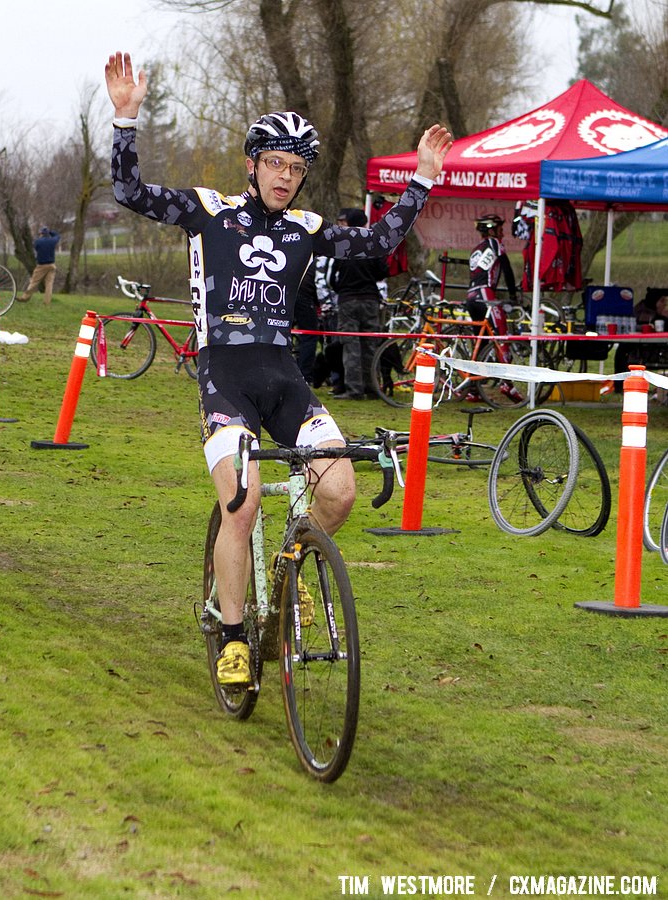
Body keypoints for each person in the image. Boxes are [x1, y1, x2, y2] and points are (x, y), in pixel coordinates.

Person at [104, 51, 451, 686]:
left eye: (296, 168)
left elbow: (377, 242)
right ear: (253, 165)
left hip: (283, 375)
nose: (286, 177)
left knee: (340, 489)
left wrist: (422, 180)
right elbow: (129, 192)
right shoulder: (209, 211)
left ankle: (290, 568)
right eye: (275, 165)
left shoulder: (309, 228)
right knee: (243, 501)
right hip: (224, 375)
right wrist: (125, 120)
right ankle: (234, 637)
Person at [329, 208, 389, 400]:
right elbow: (382, 272)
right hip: (370, 299)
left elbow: (331, 277)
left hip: (348, 300)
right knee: (371, 344)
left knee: (351, 346)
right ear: (364, 223)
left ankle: (354, 390)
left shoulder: (343, 245)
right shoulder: (373, 245)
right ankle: (373, 387)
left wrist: (341, 289)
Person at [464, 214, 521, 403]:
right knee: (501, 336)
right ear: (491, 231)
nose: (503, 233)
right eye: (500, 229)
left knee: (480, 343)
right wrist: (513, 295)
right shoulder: (494, 243)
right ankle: (507, 384)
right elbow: (506, 268)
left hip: (471, 296)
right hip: (485, 295)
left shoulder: (476, 248)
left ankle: (473, 388)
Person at [18, 227, 61, 305]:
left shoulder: (37, 242)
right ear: (48, 234)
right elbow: (58, 236)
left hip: (41, 265)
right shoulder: (52, 241)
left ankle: (25, 297)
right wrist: (51, 232)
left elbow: (35, 247)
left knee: (34, 282)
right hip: (51, 265)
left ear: (41, 234)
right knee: (49, 285)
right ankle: (47, 302)